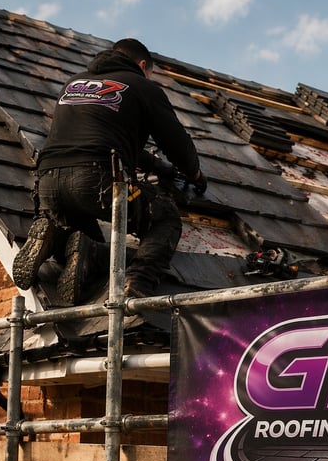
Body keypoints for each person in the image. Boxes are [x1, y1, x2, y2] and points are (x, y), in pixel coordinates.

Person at [12, 38, 207, 304]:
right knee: (165, 217)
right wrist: (194, 174)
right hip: (97, 181)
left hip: (48, 184)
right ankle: (138, 281)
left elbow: (108, 137)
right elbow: (177, 143)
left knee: (85, 246)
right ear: (142, 65)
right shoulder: (142, 86)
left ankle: (55, 234)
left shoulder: (73, 83)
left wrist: (157, 166)